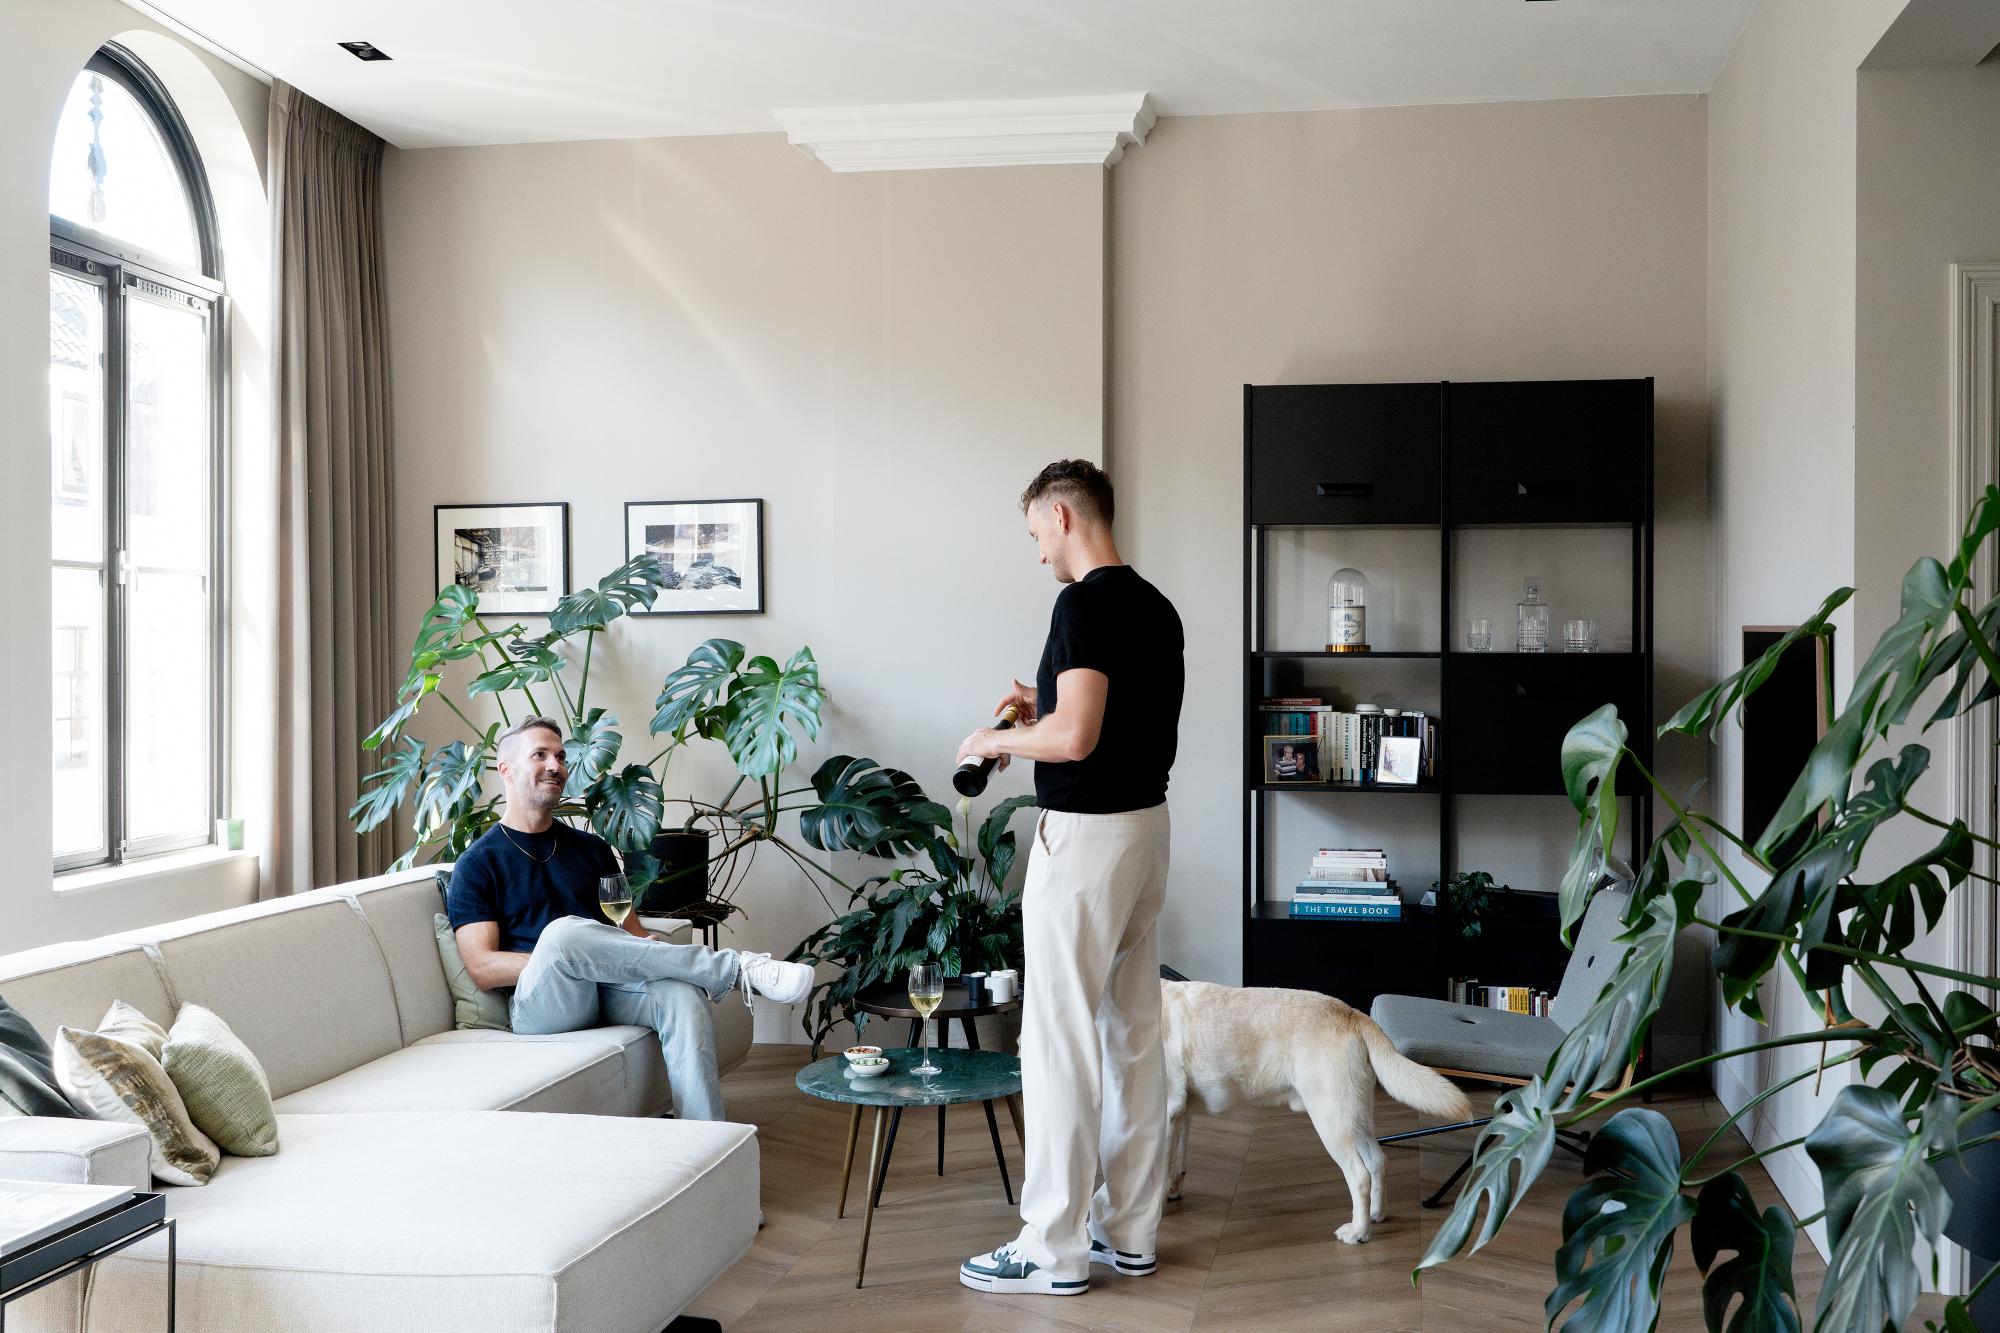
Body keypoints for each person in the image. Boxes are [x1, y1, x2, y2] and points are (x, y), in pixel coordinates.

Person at [953, 459, 1184, 1297]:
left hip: (1084, 841)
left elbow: (1078, 737)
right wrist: (1039, 700)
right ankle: (1130, 1232)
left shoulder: (1081, 605)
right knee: (1133, 1032)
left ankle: (1051, 1248)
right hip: (1145, 831)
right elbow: (1104, 715)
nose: (1038, 552)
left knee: (1055, 1039)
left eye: (1035, 534)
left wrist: (994, 739)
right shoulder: (1155, 606)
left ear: (1061, 515)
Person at [446, 716, 813, 1121]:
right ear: (506, 769)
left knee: (683, 995)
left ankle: (703, 1133)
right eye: (540, 755)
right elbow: (482, 967)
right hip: (542, 1005)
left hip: (606, 989)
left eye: (561, 757)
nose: (556, 765)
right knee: (563, 936)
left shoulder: (591, 849)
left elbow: (630, 932)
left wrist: (635, 949)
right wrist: (566, 958)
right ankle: (736, 969)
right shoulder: (478, 863)